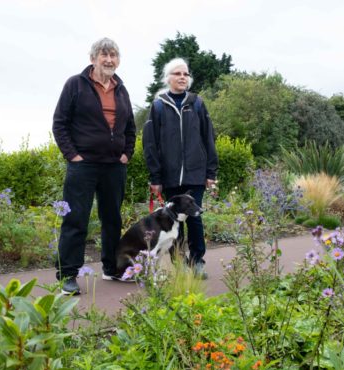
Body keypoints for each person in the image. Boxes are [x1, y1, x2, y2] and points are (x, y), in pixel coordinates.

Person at [52, 38, 136, 295]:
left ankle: (111, 269)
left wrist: (126, 154)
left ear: (118, 60)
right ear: (93, 58)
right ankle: (67, 275)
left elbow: (130, 127)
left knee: (112, 219)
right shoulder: (75, 85)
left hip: (114, 166)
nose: (109, 60)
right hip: (83, 165)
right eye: (104, 55)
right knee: (76, 220)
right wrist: (73, 155)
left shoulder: (121, 89)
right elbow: (60, 123)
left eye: (113, 55)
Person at [142, 58, 219, 279]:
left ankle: (197, 261)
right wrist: (155, 176)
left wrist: (210, 172)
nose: (182, 77)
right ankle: (178, 263)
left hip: (195, 174)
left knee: (194, 218)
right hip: (170, 177)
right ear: (168, 78)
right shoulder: (158, 106)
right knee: (173, 221)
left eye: (185, 74)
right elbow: (150, 144)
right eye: (177, 74)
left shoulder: (197, 103)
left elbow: (208, 138)